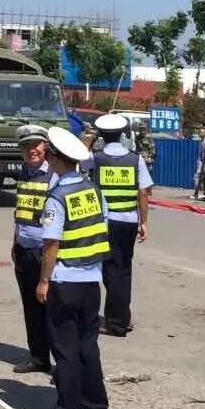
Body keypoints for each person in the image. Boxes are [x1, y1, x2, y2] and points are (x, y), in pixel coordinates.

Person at [33, 126, 110, 409]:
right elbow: (102, 227)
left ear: (55, 159)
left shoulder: (57, 197)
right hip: (91, 280)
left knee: (65, 350)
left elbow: (51, 244)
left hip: (64, 281)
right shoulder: (93, 190)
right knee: (88, 347)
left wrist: (43, 281)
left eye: (48, 155)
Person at [87, 112, 152, 339]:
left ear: (102, 136)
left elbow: (76, 162)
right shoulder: (135, 159)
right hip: (129, 222)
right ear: (123, 135)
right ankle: (122, 316)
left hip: (105, 223)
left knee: (110, 271)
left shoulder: (95, 158)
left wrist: (90, 140)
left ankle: (117, 323)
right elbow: (143, 193)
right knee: (123, 270)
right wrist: (144, 222)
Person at [11, 124, 55, 375]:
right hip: (24, 250)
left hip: (46, 252)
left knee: (53, 310)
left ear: (45, 146)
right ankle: (39, 358)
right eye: (26, 146)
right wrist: (14, 242)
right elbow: (21, 212)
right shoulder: (24, 173)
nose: (31, 150)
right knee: (31, 308)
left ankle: (63, 365)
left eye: (35, 145)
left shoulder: (55, 176)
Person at [193, 129, 205, 199]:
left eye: (201, 132)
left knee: (198, 176)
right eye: (199, 132)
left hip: (204, 160)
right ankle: (197, 192)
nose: (199, 134)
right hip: (201, 160)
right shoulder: (202, 140)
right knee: (200, 177)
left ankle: (200, 192)